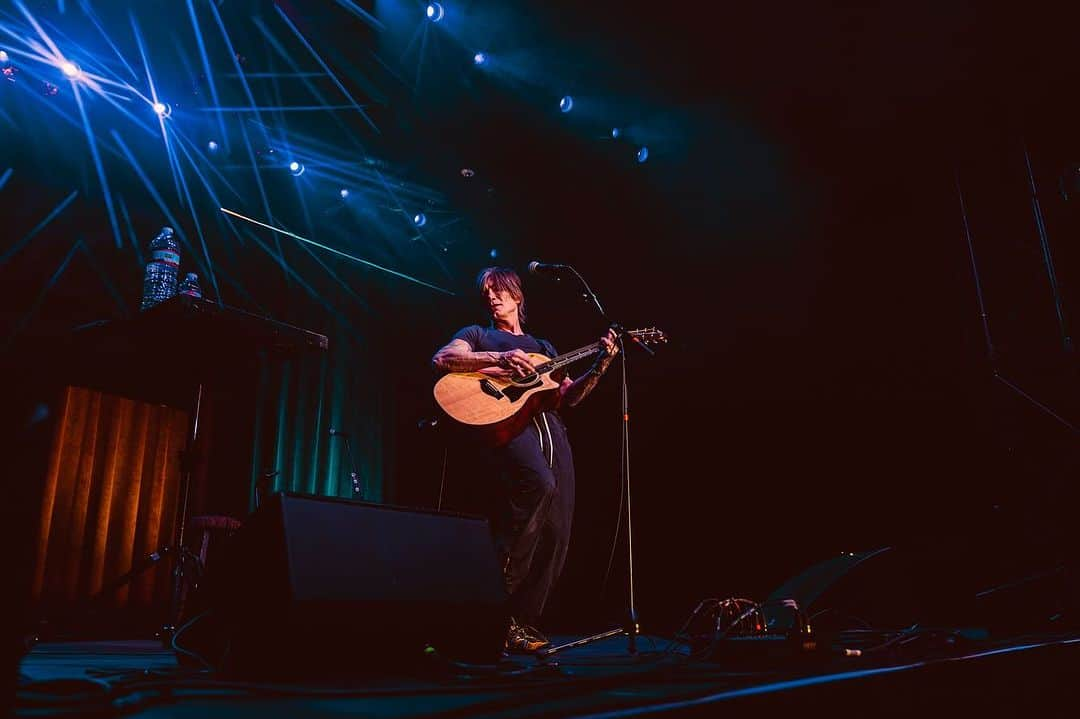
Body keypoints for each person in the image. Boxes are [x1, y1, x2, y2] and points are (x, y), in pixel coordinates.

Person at [432, 267, 618, 654]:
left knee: (557, 527)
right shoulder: (478, 335)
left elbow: (569, 396)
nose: (492, 297)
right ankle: (494, 604)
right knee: (539, 485)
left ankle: (520, 623)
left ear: (517, 296)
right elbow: (445, 358)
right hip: (510, 426)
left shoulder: (545, 347)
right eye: (486, 292)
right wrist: (500, 357)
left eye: (499, 290)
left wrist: (601, 363)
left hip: (551, 429)